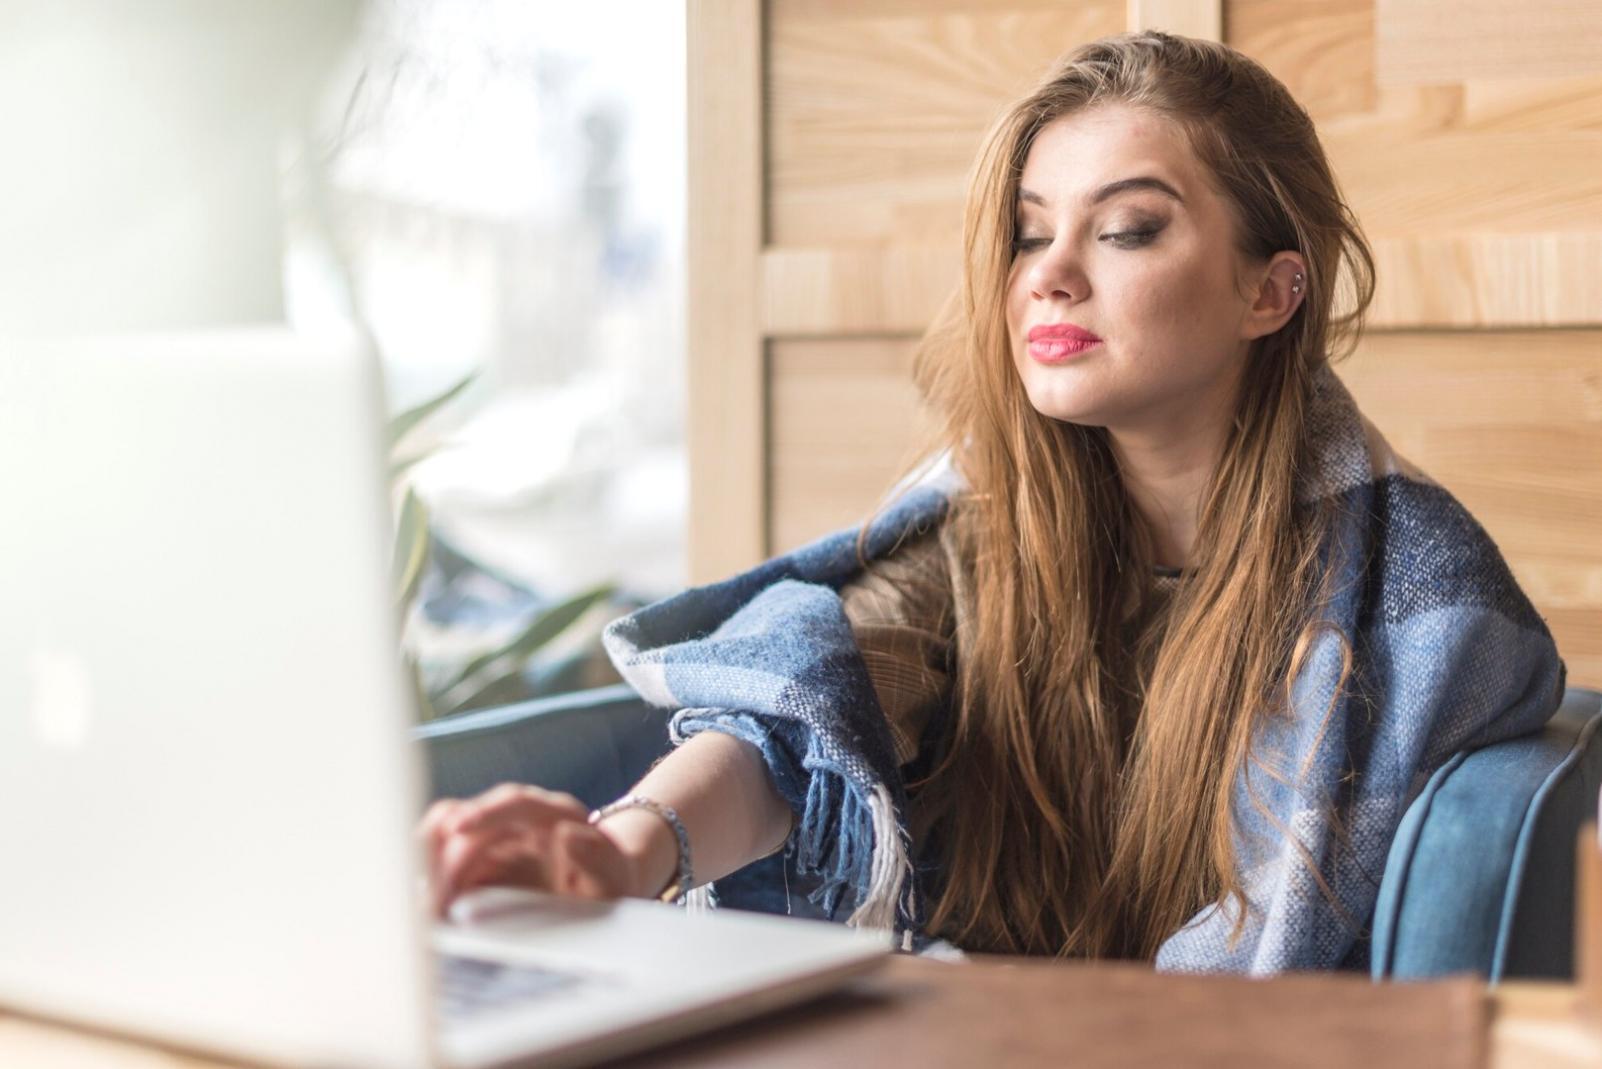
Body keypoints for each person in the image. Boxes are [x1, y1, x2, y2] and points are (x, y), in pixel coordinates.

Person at [421, 30, 1565, 973]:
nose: (1050, 273)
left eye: (1126, 229)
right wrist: (620, 853)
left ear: (1271, 290)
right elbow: (803, 708)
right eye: (1030, 230)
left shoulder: (1413, 585)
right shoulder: (977, 528)